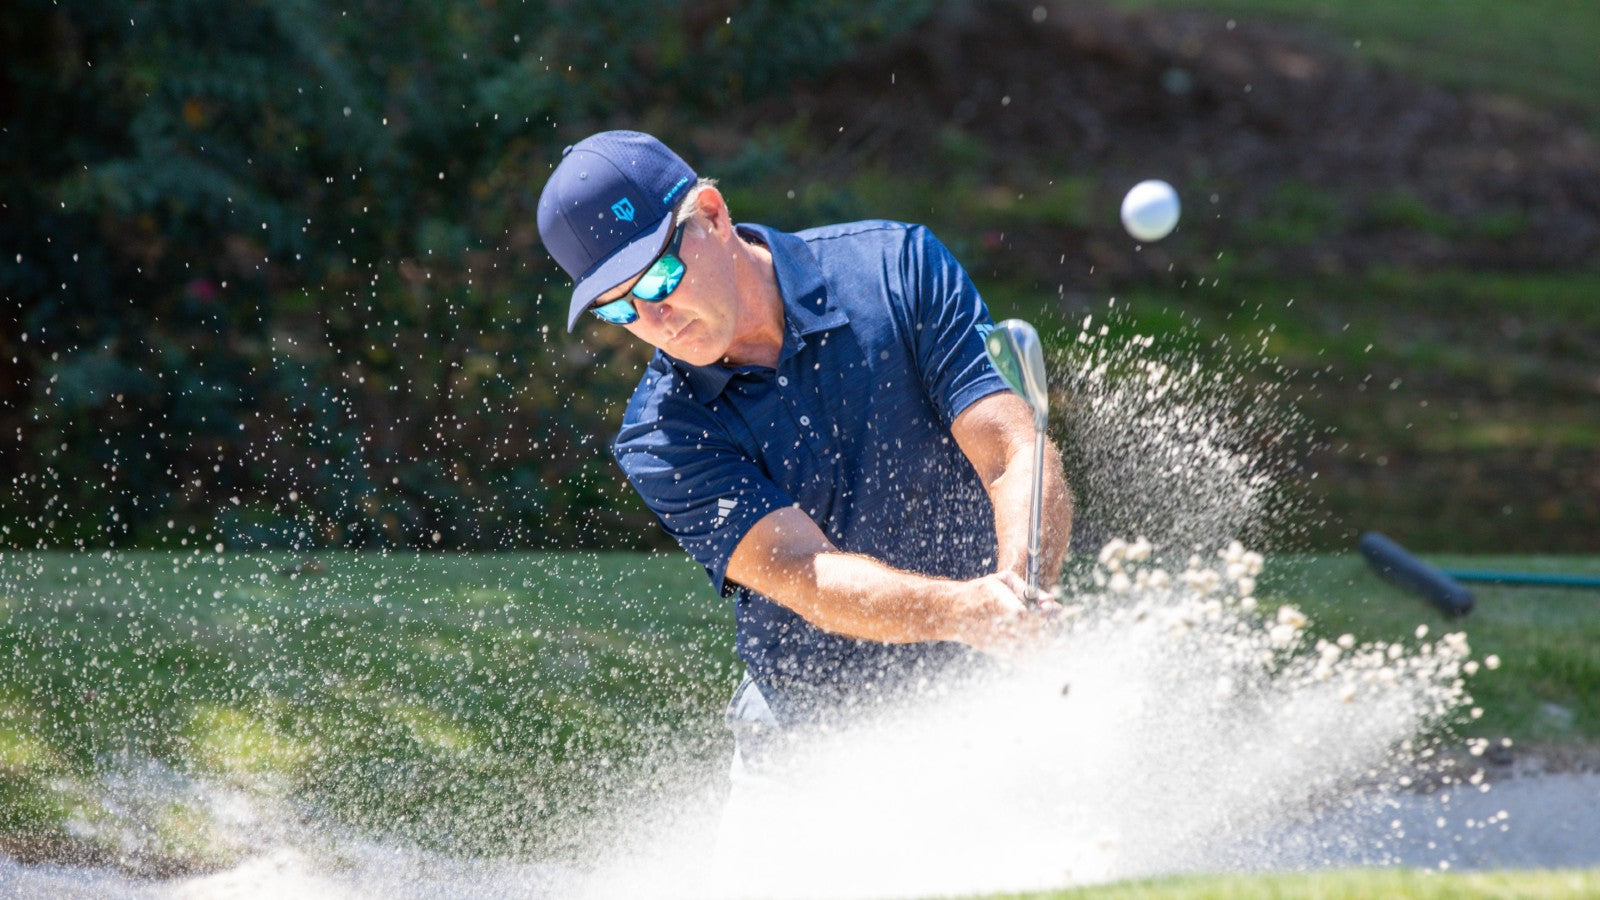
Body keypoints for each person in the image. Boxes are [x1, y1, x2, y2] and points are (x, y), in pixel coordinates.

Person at [536, 130, 1073, 773]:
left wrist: (1019, 595)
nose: (656, 319)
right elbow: (804, 571)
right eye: (618, 308)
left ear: (711, 213)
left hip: (992, 677)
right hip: (804, 737)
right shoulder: (661, 435)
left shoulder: (894, 268)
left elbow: (1014, 451)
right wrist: (967, 611)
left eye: (659, 278)